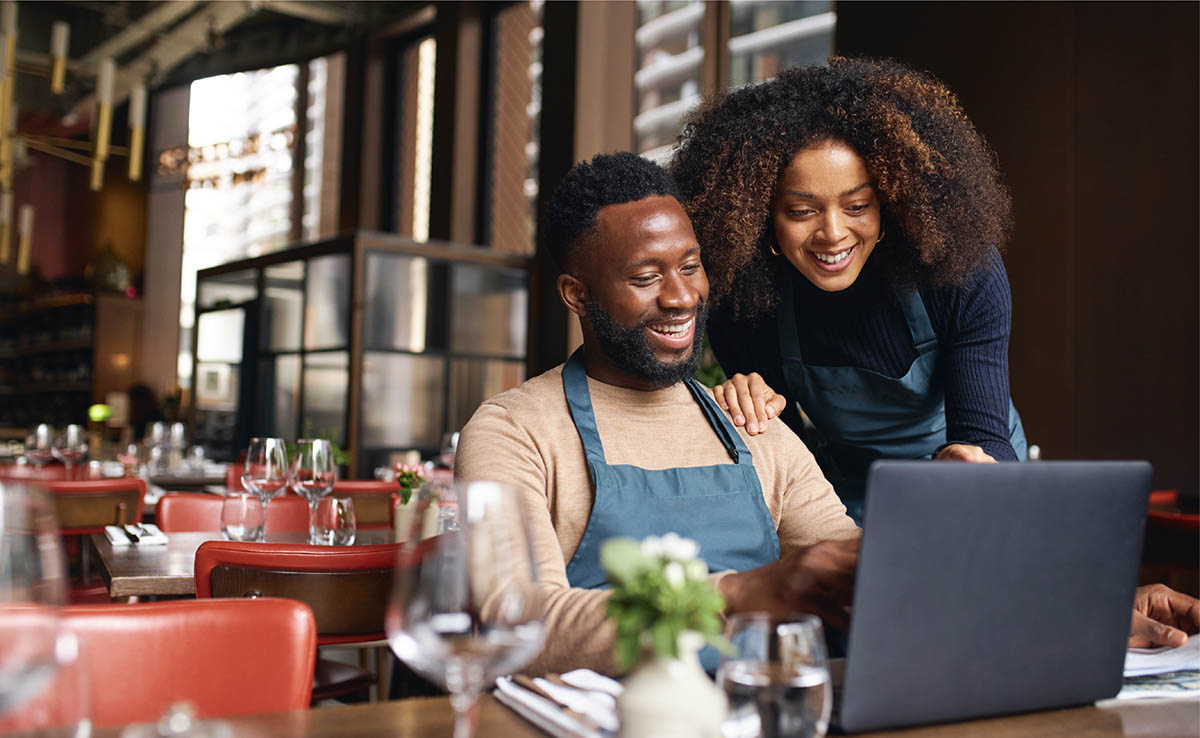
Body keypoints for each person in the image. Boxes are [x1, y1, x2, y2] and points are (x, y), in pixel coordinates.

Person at [455, 153, 1198, 676]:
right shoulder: (515, 429)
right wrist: (747, 593)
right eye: (646, 278)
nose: (681, 298)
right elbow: (518, 621)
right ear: (576, 295)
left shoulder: (751, 424)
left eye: (690, 266)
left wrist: (1082, 607)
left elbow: (879, 580)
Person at [671, 58, 1026, 521]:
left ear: (891, 202)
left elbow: (984, 434)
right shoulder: (744, 302)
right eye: (801, 211)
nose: (833, 234)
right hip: (847, 493)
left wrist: (969, 464)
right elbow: (789, 465)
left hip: (969, 481)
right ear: (760, 217)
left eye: (858, 205)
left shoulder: (958, 270)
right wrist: (750, 412)